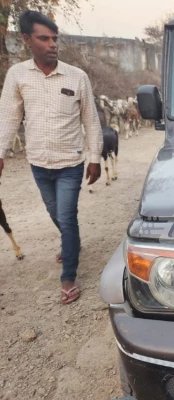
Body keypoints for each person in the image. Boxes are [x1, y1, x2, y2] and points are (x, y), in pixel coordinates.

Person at [0, 10, 103, 304]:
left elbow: (91, 120)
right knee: (54, 213)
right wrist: (0, 153)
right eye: (43, 38)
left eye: (54, 39)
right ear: (26, 40)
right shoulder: (17, 75)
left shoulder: (77, 76)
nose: (51, 44)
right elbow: (8, 117)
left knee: (67, 218)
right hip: (38, 163)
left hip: (70, 163)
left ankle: (69, 274)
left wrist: (94, 156)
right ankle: (73, 244)